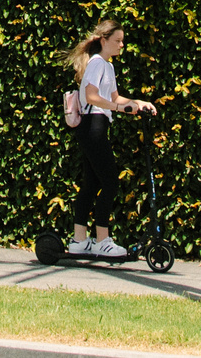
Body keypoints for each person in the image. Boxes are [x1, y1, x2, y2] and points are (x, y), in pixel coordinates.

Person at [65, 18, 154, 258]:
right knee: (110, 181)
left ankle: (79, 240)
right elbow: (91, 96)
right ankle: (102, 240)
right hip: (92, 125)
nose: (121, 45)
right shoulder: (96, 63)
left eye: (122, 41)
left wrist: (139, 103)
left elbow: (115, 98)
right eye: (117, 41)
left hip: (97, 126)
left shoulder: (108, 66)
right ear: (104, 40)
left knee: (92, 184)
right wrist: (117, 109)